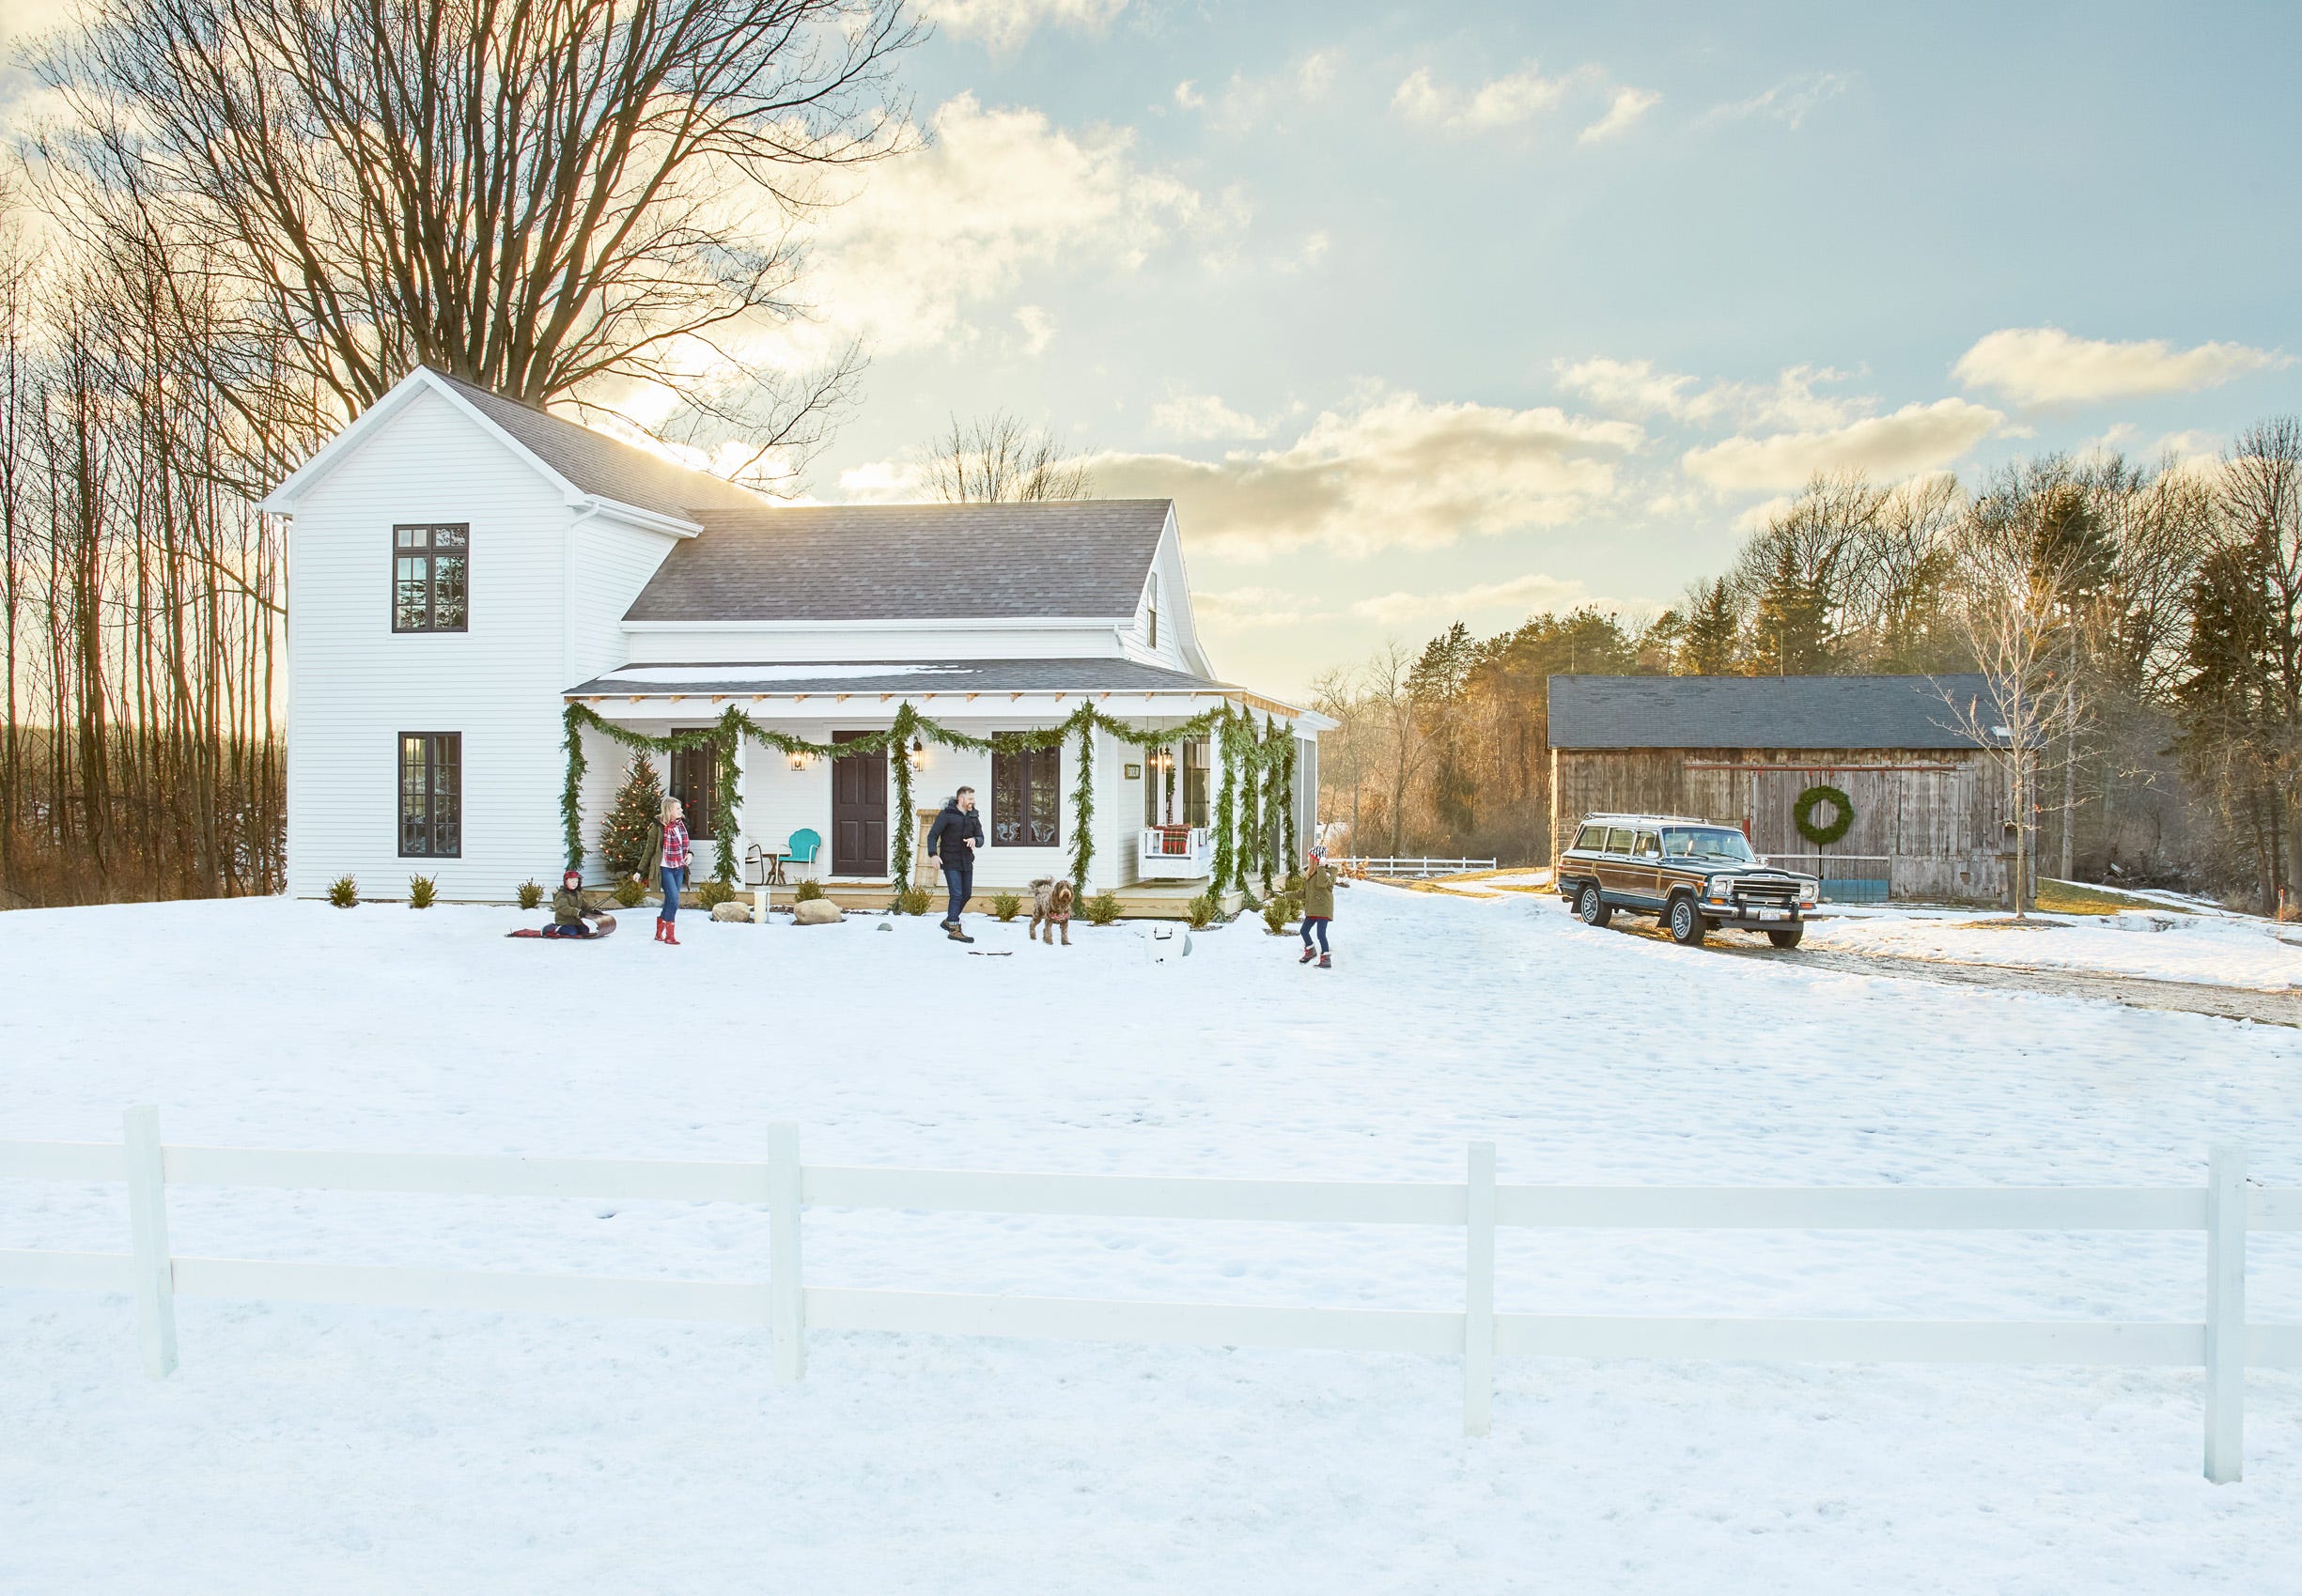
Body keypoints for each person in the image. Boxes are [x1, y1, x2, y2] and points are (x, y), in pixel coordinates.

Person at [925, 785, 985, 943]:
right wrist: (933, 855)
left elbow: (981, 838)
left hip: (966, 861)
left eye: (973, 798)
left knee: (966, 894)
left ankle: (949, 920)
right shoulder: (947, 815)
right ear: (961, 799)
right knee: (957, 894)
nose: (972, 801)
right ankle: (954, 928)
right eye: (970, 798)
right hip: (950, 860)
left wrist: (975, 840)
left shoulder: (973, 816)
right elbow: (932, 836)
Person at [632, 796, 691, 945]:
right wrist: (639, 871)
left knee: (671, 901)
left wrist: (690, 855)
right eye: (677, 808)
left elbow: (685, 846)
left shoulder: (680, 825)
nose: (681, 810)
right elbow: (649, 850)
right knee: (674, 900)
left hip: (678, 867)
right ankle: (669, 936)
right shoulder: (658, 827)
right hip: (664, 868)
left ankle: (659, 932)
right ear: (669, 810)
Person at [1299, 846, 1336, 968]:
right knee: (1304, 931)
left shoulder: (1328, 872)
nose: (1309, 861)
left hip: (1323, 908)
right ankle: (1311, 951)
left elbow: (1322, 883)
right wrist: (1285, 895)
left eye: (1311, 858)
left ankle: (1326, 959)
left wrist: (1321, 866)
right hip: (1313, 908)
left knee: (1321, 934)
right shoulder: (1312, 874)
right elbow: (1305, 893)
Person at [547, 868, 599, 937]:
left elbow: (584, 905)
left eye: (576, 882)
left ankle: (573, 928)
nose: (575, 884)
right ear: (566, 882)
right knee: (572, 932)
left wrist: (592, 911)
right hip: (564, 922)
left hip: (576, 922)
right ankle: (556, 928)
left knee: (585, 930)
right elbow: (564, 908)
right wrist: (577, 912)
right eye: (572, 881)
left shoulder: (577, 893)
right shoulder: (562, 894)